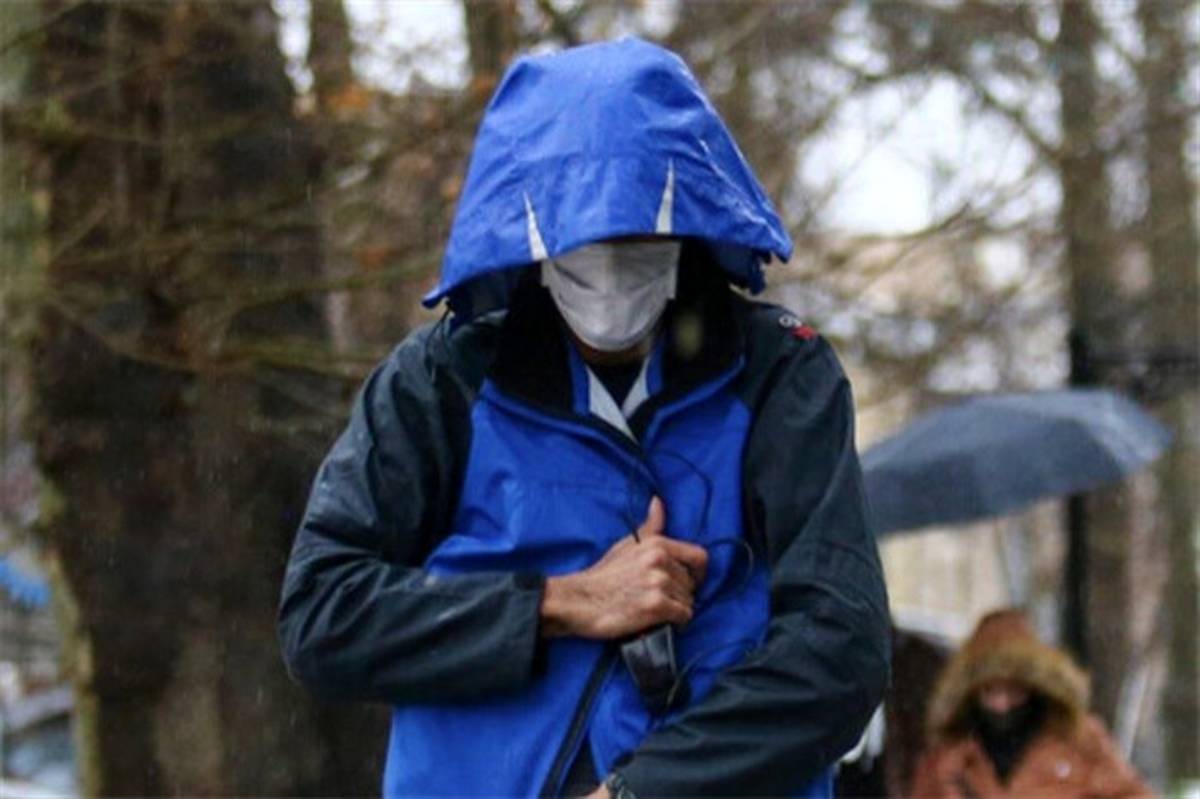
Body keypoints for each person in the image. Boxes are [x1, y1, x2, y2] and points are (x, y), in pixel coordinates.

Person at [278, 37, 889, 798]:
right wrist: (559, 603)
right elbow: (322, 615)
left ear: (685, 223)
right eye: (580, 238)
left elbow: (841, 650)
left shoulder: (779, 374)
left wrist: (643, 792)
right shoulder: (440, 382)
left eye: (634, 236)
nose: (608, 267)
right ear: (529, 234)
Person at [908, 609, 1152, 798]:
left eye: (1013, 690)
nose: (1003, 704)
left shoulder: (1079, 738)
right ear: (971, 694)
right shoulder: (948, 758)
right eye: (991, 690)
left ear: (1036, 688)